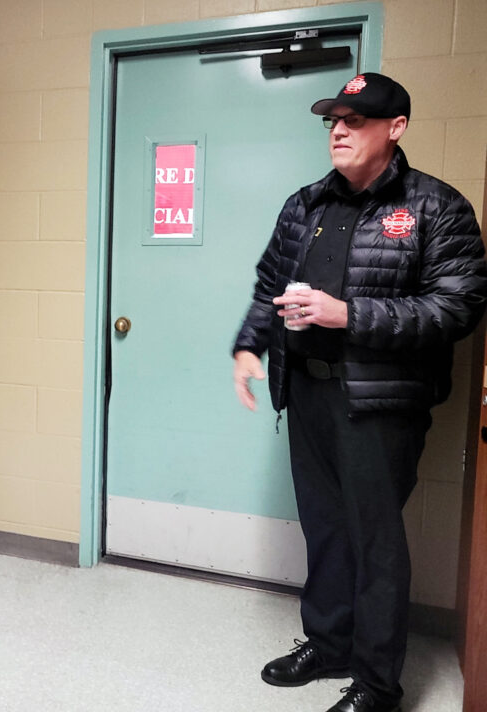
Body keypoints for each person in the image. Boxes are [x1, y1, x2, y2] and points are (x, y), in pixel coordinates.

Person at [232, 72, 487, 712]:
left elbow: (457, 309)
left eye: (356, 119)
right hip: (310, 394)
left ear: (395, 128)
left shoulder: (436, 207)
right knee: (324, 530)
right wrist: (248, 344)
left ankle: (378, 683)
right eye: (332, 121)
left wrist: (349, 315)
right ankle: (329, 642)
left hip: (381, 403)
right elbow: (270, 284)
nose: (339, 131)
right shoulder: (306, 204)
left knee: (374, 541)